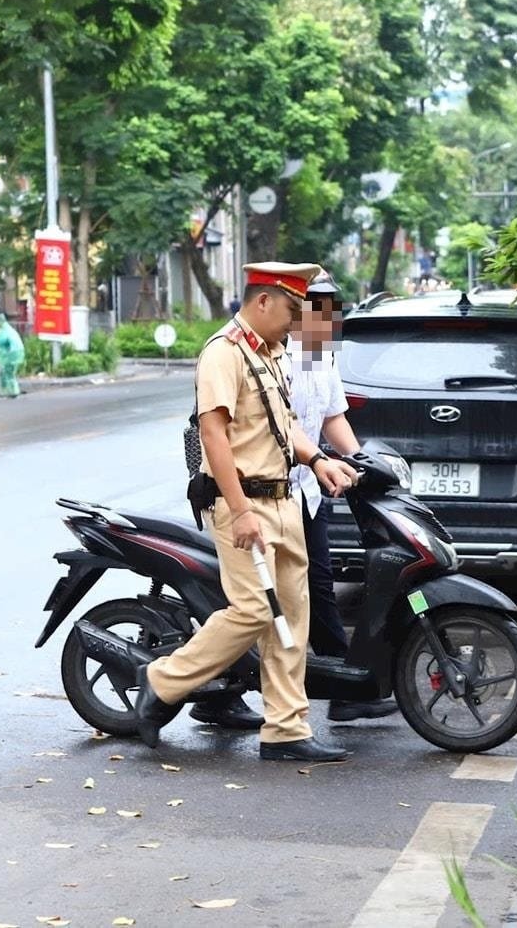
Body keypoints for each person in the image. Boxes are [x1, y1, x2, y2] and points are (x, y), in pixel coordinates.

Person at [133, 262, 360, 763]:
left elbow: (287, 428)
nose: (297, 322)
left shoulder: (273, 353)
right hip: (245, 503)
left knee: (292, 619)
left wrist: (320, 461)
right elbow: (214, 433)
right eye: (291, 310)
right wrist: (239, 511)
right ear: (263, 301)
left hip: (286, 500)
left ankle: (285, 730)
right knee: (255, 610)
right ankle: (162, 680)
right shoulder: (223, 353)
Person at [290, 272, 399, 722]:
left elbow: (332, 414)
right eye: (318, 305)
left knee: (318, 586)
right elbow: (282, 423)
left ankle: (344, 685)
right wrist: (319, 459)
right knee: (262, 597)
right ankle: (223, 691)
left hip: (308, 489)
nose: (327, 315)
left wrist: (362, 463)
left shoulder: (320, 355)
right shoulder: (274, 355)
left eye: (332, 306)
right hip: (267, 489)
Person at [0, 311, 25, 399]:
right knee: (10, 374)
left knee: (6, 374)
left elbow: (0, 340)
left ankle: (7, 392)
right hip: (14, 354)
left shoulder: (3, 330)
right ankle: (12, 391)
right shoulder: (9, 329)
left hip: (8, 355)